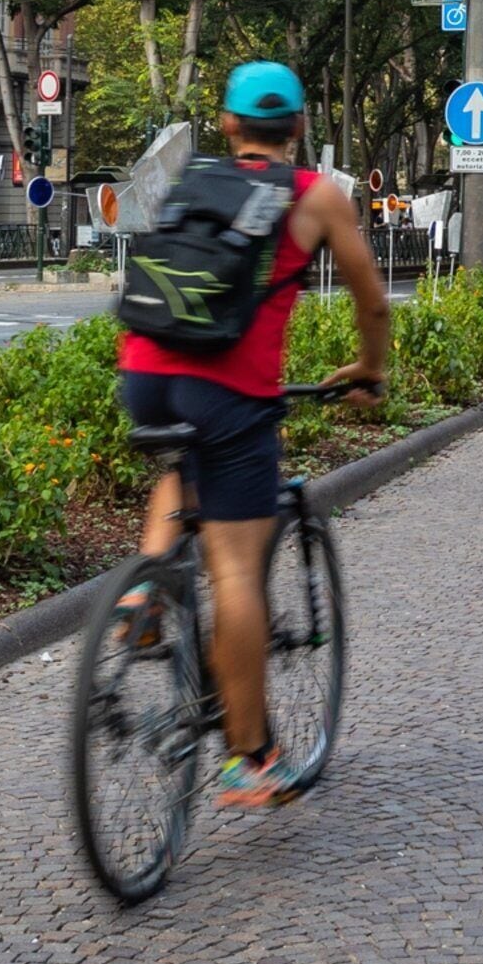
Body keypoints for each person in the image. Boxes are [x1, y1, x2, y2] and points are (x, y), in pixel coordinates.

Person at [120, 61, 390, 811]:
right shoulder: (315, 197)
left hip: (143, 369)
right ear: (299, 127)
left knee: (179, 467)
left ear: (230, 125)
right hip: (230, 389)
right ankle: (249, 757)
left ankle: (140, 597)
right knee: (236, 572)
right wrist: (369, 370)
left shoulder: (194, 179)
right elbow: (372, 300)